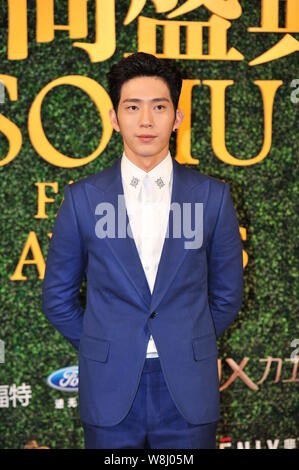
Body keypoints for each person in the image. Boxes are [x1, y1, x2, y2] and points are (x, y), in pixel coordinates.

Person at [42, 52, 243, 449]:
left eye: (159, 107)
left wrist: (185, 339)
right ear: (115, 118)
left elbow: (227, 295)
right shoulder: (82, 200)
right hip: (110, 389)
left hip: (187, 389)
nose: (146, 121)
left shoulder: (212, 197)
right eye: (133, 107)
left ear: (178, 117)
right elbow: (57, 298)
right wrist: (107, 343)